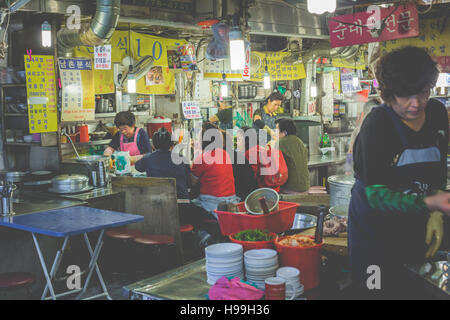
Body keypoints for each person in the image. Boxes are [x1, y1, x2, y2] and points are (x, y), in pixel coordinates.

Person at [348, 46, 450, 299]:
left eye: (423, 93)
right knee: (375, 292)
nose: (416, 104)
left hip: (414, 228)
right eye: (405, 95)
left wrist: (435, 213)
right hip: (373, 236)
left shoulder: (437, 114)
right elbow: (377, 196)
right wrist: (430, 202)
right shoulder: (377, 125)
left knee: (414, 289)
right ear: (389, 94)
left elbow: (437, 172)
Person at [135, 128, 212, 236]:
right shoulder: (181, 159)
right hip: (182, 211)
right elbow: (189, 183)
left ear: (154, 146)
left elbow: (138, 167)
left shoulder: (148, 158)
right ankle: (201, 239)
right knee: (205, 217)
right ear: (172, 145)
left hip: (157, 211)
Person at [190, 122, 240, 219]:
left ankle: (204, 234)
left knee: (188, 207)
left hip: (212, 204)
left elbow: (192, 182)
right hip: (232, 201)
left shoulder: (202, 158)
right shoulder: (225, 154)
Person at [345, 98, 380, 174]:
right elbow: (350, 153)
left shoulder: (358, 130)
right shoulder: (357, 131)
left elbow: (350, 153)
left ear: (363, 114)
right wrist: (348, 171)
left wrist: (348, 171)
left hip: (362, 176)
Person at [275, 118, 310, 193]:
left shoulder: (281, 143)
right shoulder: (299, 141)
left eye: (277, 130)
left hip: (291, 188)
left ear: (284, 132)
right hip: (305, 185)